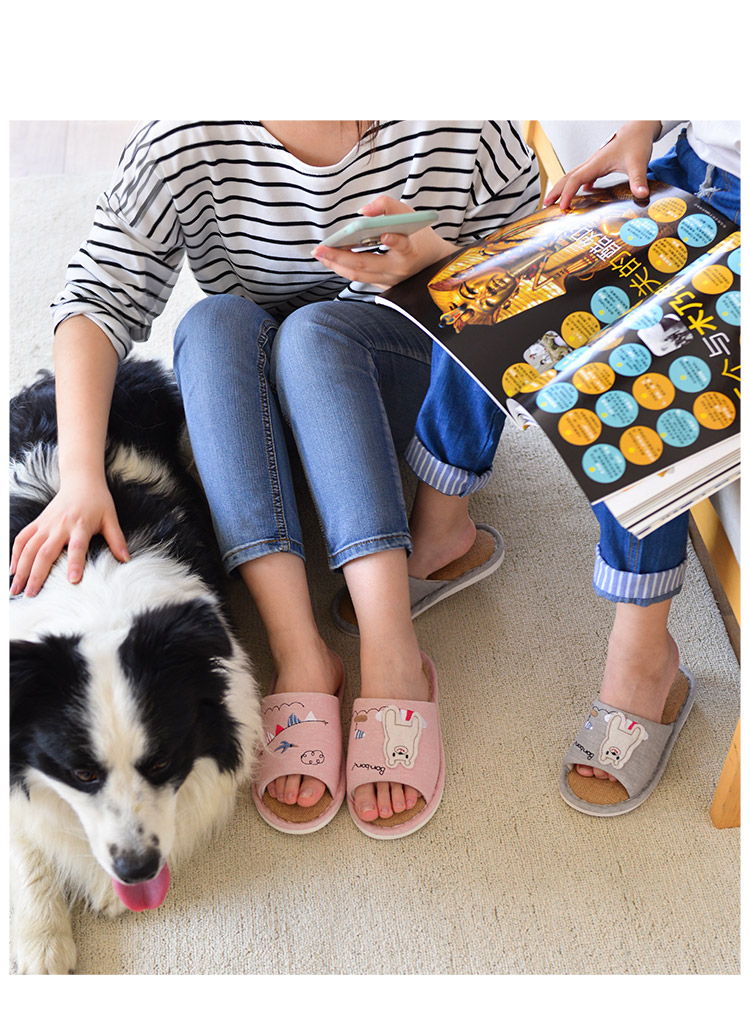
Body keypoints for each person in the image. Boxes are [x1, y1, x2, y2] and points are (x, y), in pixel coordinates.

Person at [9, 120, 540, 837]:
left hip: (397, 389)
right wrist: (79, 474)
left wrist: (441, 263)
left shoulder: (464, 124)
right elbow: (95, 298)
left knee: (315, 333)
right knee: (210, 323)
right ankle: (301, 655)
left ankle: (392, 654)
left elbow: (538, 284)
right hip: (261, 419)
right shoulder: (186, 136)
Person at [395, 120, 740, 815]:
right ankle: (442, 529)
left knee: (640, 391)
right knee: (494, 291)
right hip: (687, 172)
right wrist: (644, 125)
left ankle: (644, 658)